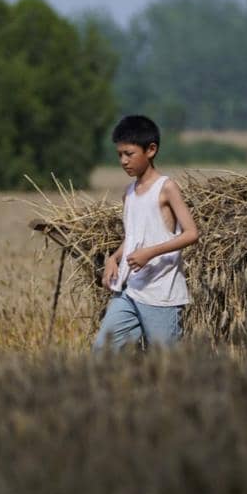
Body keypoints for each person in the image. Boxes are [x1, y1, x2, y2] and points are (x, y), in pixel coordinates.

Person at [95, 115, 199, 351]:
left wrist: (150, 253)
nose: (123, 161)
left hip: (160, 295)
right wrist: (113, 258)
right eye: (119, 154)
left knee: (165, 363)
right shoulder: (128, 193)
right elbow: (133, 236)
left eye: (129, 154)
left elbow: (192, 233)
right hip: (129, 291)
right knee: (102, 351)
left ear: (151, 150)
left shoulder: (166, 188)